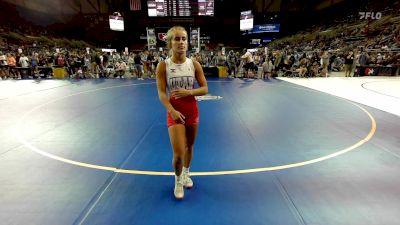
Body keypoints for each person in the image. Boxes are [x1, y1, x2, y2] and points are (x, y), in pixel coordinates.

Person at [156, 26, 208, 199]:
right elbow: (162, 93)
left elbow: (205, 88)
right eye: (177, 39)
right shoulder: (164, 66)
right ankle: (178, 181)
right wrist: (171, 110)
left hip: (192, 111)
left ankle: (186, 173)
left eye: (184, 39)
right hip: (175, 113)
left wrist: (189, 92)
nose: (181, 42)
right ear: (170, 43)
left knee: (190, 146)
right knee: (178, 154)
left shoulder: (194, 64)